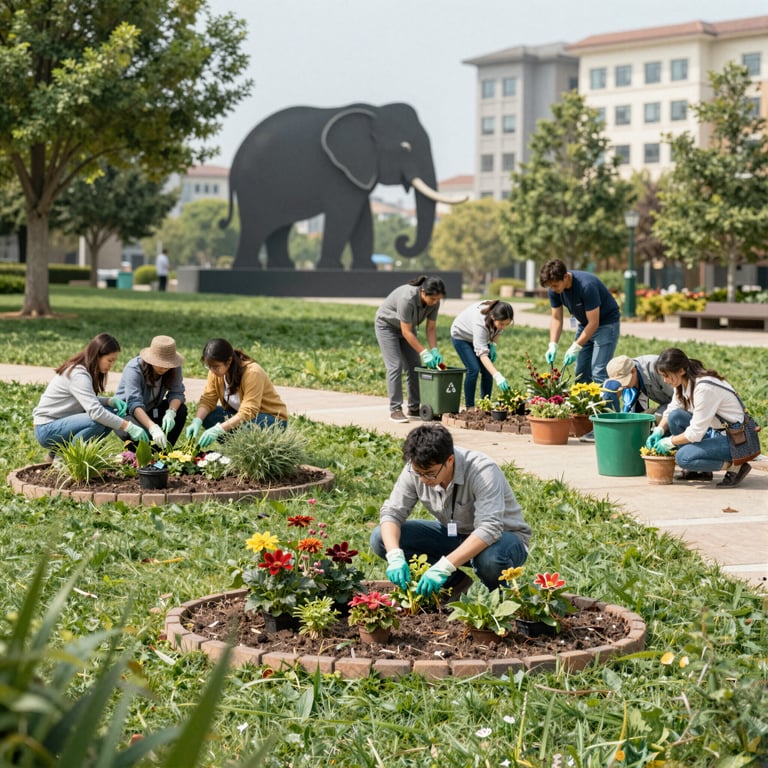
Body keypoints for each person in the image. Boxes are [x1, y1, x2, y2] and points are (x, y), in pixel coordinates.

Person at [370, 423, 531, 598]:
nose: (423, 479)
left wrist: (443, 566)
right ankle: (457, 585)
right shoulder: (415, 469)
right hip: (455, 536)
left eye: (430, 473)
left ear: (450, 460)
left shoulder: (483, 470)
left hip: (502, 540)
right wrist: (394, 556)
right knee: (381, 539)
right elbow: (392, 513)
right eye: (418, 473)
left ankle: (500, 598)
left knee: (489, 560)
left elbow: (489, 529)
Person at [539, 258, 621, 442]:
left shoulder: (586, 285)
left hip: (606, 324)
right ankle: (588, 421)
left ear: (566, 277)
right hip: (585, 325)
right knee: (581, 374)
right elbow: (557, 318)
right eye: (550, 286)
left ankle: (614, 423)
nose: (553, 289)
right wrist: (553, 344)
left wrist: (576, 346)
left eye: (555, 285)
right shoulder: (555, 290)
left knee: (599, 372)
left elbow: (595, 322)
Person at [647, 348, 752, 487]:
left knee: (683, 458)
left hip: (737, 439)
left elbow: (695, 434)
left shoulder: (704, 388)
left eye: (667, 375)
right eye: (663, 376)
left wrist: (670, 441)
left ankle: (736, 465)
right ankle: (700, 471)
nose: (665, 381)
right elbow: (672, 408)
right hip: (717, 431)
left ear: (681, 370)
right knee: (675, 417)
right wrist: (659, 430)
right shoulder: (682, 382)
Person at [32, 333, 144, 455]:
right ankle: (67, 457)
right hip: (46, 428)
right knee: (97, 421)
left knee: (110, 411)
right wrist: (128, 426)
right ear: (97, 356)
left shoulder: (85, 371)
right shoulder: (78, 374)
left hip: (59, 423)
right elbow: (96, 413)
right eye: (109, 360)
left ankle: (57, 454)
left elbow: (84, 399)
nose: (111, 365)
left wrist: (109, 401)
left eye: (114, 361)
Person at [186, 338, 288, 448]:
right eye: (208, 366)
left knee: (246, 429)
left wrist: (219, 429)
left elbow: (249, 411)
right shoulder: (214, 373)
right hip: (243, 417)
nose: (212, 370)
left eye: (215, 366)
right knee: (208, 415)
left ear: (229, 361)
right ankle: (235, 448)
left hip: (271, 419)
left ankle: (243, 450)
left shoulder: (252, 372)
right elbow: (208, 399)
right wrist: (197, 420)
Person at [374, 275, 447, 423]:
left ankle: (414, 408)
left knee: (415, 366)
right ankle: (395, 409)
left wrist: (434, 350)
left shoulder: (434, 302)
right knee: (395, 366)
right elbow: (406, 332)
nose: (435, 302)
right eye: (433, 299)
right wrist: (424, 351)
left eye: (438, 299)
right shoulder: (407, 299)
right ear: (423, 292)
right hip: (387, 326)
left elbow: (431, 328)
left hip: (407, 328)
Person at [115, 335, 187, 450]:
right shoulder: (134, 368)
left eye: (167, 365)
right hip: (128, 414)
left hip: (152, 410)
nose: (164, 368)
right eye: (160, 364)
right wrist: (152, 427)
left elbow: (177, 393)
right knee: (146, 439)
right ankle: (144, 454)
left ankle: (165, 450)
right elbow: (134, 403)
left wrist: (171, 412)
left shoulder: (174, 367)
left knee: (181, 410)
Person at [450, 300, 515, 409]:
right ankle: (470, 407)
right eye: (502, 324)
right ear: (493, 317)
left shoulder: (499, 315)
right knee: (473, 369)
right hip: (461, 336)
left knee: (487, 371)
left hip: (477, 337)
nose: (503, 327)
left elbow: (497, 330)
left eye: (507, 324)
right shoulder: (479, 321)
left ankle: (485, 405)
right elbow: (482, 354)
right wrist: (497, 375)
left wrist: (493, 344)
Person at [602, 354, 673, 419]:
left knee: (658, 418)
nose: (623, 386)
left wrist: (659, 413)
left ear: (633, 371)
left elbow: (680, 398)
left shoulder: (658, 370)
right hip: (668, 404)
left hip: (679, 404)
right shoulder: (626, 369)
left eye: (624, 381)